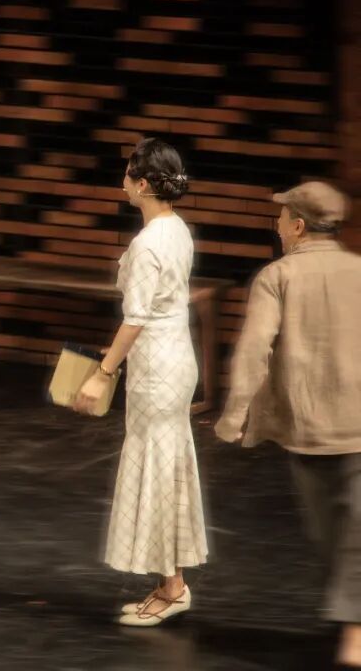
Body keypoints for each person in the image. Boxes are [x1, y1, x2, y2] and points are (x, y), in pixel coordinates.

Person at [214, 182, 361, 668]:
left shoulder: (277, 276)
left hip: (309, 427)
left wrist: (233, 416)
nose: (277, 227)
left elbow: (254, 351)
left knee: (332, 531)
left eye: (280, 219)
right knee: (352, 531)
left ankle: (354, 633)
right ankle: (353, 622)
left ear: (297, 225)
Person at [74, 137, 207, 627]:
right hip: (173, 356)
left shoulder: (149, 242)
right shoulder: (175, 228)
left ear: (144, 184)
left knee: (157, 471)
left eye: (130, 171)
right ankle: (170, 581)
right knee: (164, 468)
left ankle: (172, 587)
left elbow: (135, 318)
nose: (124, 178)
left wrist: (102, 372)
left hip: (158, 363)